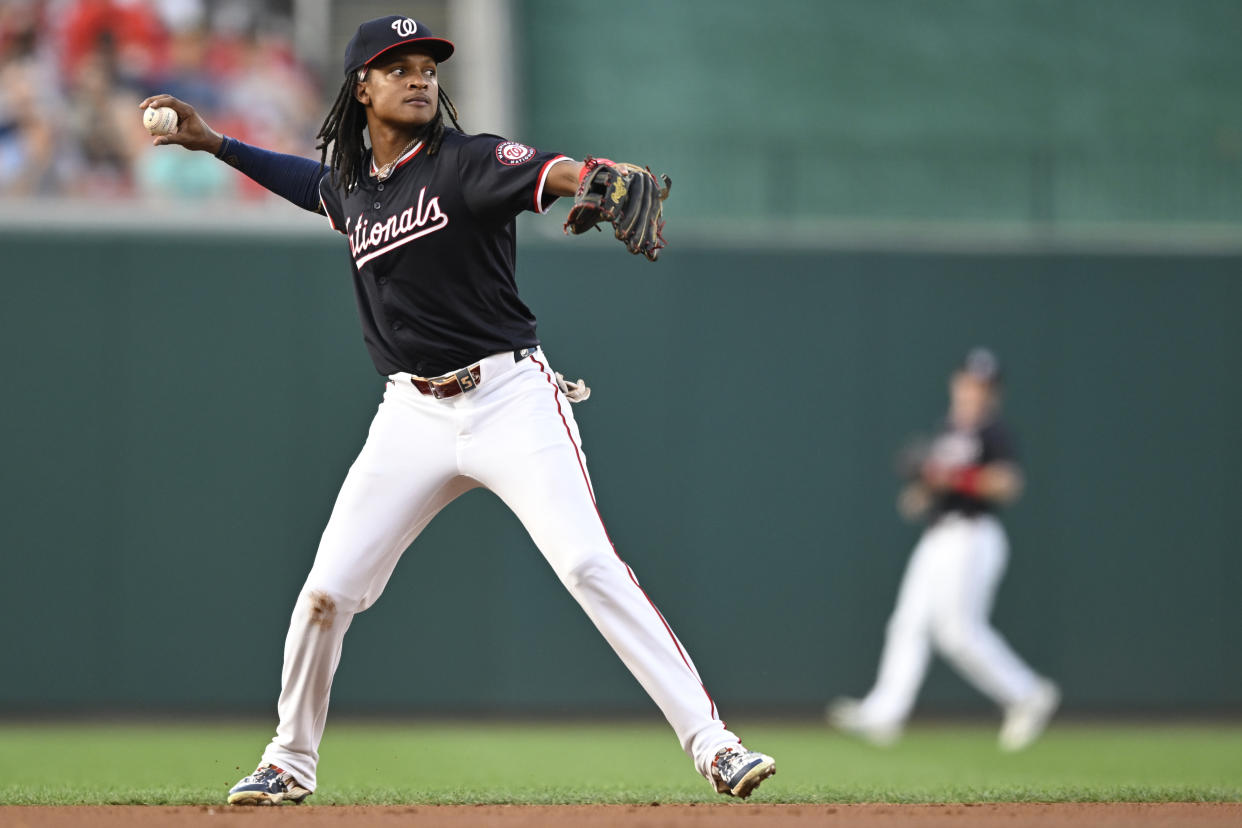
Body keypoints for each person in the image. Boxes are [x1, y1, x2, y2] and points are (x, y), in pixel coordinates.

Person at [139, 15, 775, 806]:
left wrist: (598, 178)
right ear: (360, 88)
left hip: (510, 398)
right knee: (326, 592)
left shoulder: (467, 161)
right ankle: (288, 761)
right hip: (411, 414)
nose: (419, 76)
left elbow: (549, 170)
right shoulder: (353, 185)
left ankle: (715, 745)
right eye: (396, 65)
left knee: (587, 564)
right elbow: (312, 187)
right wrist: (218, 145)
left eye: (428, 66)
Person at [828, 348, 1059, 751]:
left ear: (993, 392)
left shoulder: (994, 432)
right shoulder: (948, 430)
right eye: (969, 382)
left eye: (983, 385)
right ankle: (885, 713)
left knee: (958, 633)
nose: (974, 391)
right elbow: (933, 483)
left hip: (973, 536)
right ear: (957, 384)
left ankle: (1027, 694)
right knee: (908, 623)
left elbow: (1007, 484)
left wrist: (951, 476)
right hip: (938, 534)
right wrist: (921, 492)